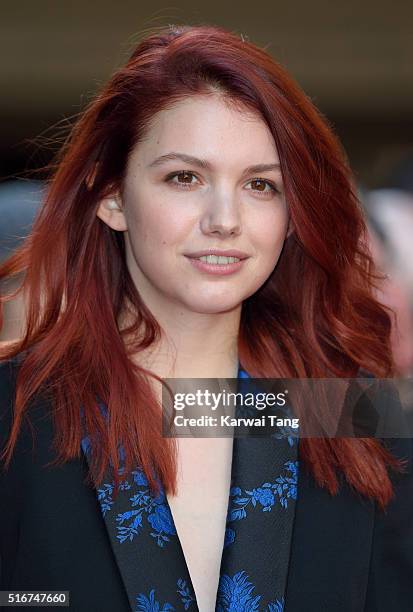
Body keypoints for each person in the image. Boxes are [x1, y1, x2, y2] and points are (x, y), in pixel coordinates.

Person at [0, 24, 412, 612]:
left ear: (293, 217)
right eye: (184, 177)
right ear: (111, 197)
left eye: (261, 186)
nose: (225, 219)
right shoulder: (16, 411)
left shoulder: (353, 415)